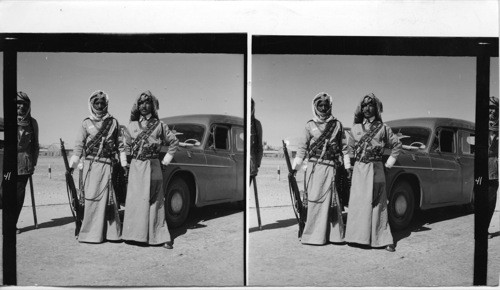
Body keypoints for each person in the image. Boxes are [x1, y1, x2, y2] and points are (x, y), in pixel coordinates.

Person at [344, 93, 402, 252]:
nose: (367, 108)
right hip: (359, 170)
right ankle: (356, 238)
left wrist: (388, 164)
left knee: (378, 204)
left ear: (376, 109)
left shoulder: (383, 128)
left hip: (376, 168)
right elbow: (348, 148)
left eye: (370, 105)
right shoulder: (355, 128)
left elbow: (397, 145)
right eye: (364, 105)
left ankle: (383, 240)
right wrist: (348, 165)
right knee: (358, 204)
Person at [122, 91, 179, 249]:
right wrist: (126, 165)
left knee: (156, 202)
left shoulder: (160, 125)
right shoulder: (131, 126)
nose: (144, 106)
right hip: (135, 167)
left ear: (153, 106)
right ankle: (134, 235)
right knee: (135, 202)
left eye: (147, 102)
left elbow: (174, 142)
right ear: (137, 106)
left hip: (153, 165)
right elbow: (126, 146)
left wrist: (165, 161)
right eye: (140, 103)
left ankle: (159, 237)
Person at [69, 90, 125, 243]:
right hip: (90, 166)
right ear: (91, 105)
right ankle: (89, 234)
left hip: (107, 166)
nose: (99, 106)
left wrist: (124, 163)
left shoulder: (113, 122)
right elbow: (79, 145)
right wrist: (72, 165)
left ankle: (111, 234)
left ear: (106, 104)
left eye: (102, 103)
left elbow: (120, 145)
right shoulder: (86, 123)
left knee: (108, 200)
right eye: (96, 103)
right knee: (91, 198)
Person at [292, 92, 346, 245]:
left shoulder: (337, 125)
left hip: (330, 169)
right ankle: (312, 236)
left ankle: (333, 236)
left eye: (326, 105)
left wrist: (346, 166)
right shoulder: (309, 125)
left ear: (330, 106)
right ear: (315, 107)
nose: (323, 108)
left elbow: (345, 148)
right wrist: (295, 167)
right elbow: (302, 147)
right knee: (314, 200)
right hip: (314, 169)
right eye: (320, 105)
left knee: (331, 202)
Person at [16, 92, 40, 234]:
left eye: (24, 104)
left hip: (24, 164)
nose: (21, 107)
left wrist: (33, 163)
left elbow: (35, 145)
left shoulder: (32, 122)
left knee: (18, 195)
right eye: (18, 103)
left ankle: (11, 224)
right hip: (6, 163)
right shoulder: (6, 120)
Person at [488, 96, 498, 239]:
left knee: (491, 201)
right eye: (488, 109)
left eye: (493, 109)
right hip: (482, 169)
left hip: (493, 170)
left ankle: (485, 228)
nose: (491, 113)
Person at [250, 98, 263, 179]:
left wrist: (257, 163)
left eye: (251, 107)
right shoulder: (239, 121)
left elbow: (259, 146)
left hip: (252, 168)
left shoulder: (256, 124)